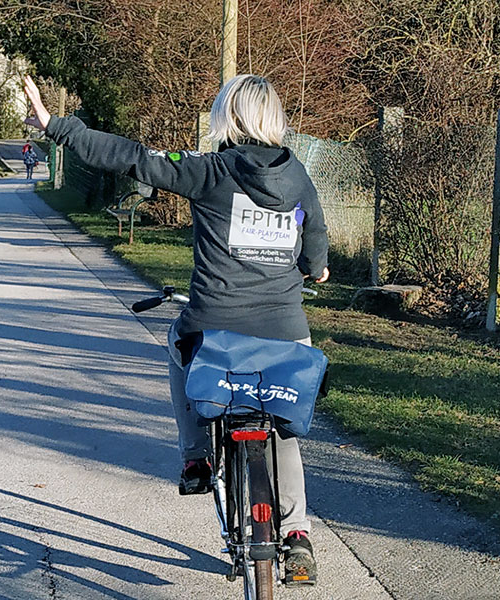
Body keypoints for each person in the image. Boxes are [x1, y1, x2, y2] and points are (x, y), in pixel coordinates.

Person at [22, 73, 329, 586]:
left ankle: (195, 459)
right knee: (281, 427)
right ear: (274, 118)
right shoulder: (298, 176)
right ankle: (296, 534)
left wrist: (58, 126)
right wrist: (311, 267)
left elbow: (134, 157)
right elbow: (315, 252)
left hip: (215, 331)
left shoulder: (210, 171)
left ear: (228, 118)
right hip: (284, 334)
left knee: (175, 345)